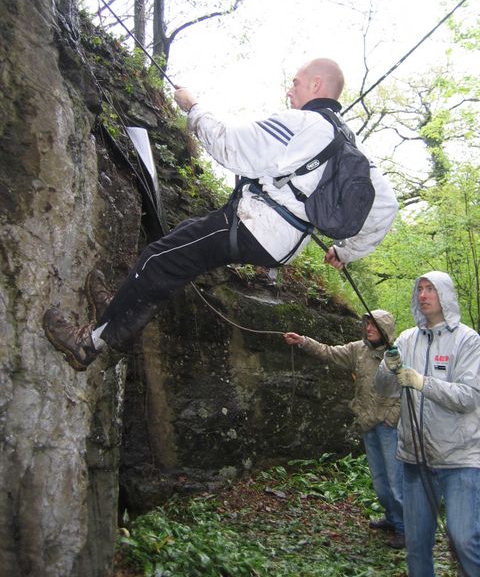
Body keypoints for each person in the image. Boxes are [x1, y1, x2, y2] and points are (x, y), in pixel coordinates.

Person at [43, 58, 398, 371]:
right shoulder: (353, 146)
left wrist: (193, 106)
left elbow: (229, 144)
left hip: (253, 226)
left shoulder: (303, 124)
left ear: (317, 85)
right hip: (279, 242)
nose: (290, 90)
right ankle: (119, 309)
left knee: (159, 260)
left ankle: (91, 343)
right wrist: (346, 251)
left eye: (296, 82)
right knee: (179, 241)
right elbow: (385, 208)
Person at [375, 271, 480, 577]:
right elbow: (385, 389)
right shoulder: (407, 339)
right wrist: (388, 366)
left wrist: (423, 382)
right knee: (417, 544)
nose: (422, 295)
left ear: (445, 295)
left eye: (430, 289)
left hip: (460, 458)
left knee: (464, 539)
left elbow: (469, 397)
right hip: (414, 458)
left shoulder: (468, 341)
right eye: (419, 289)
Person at [284, 309, 405, 549]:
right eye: (367, 324)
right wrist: (303, 342)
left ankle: (405, 529)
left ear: (385, 330)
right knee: (380, 482)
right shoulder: (357, 350)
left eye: (374, 325)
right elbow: (329, 353)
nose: (369, 328)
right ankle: (392, 519)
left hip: (389, 427)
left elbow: (407, 389)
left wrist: (392, 417)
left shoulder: (397, 355)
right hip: (367, 423)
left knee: (396, 482)